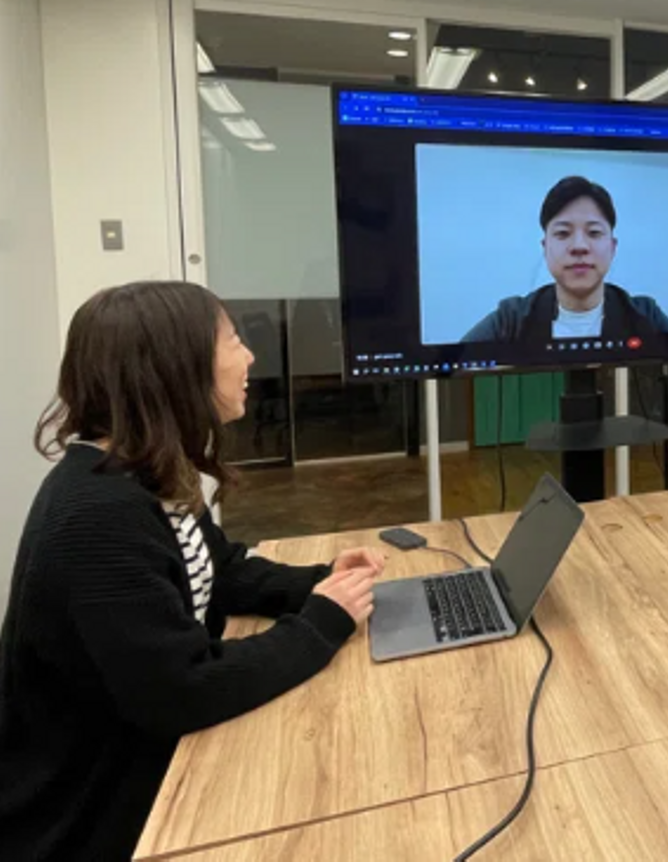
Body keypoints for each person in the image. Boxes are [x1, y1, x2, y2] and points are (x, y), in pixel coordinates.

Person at [0, 282, 386, 861]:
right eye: (232, 340)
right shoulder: (98, 513)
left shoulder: (144, 470)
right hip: (91, 818)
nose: (249, 356)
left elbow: (220, 570)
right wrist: (321, 624)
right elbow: (182, 690)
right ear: (173, 366)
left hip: (144, 765)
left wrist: (319, 581)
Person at [461, 176, 668, 346]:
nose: (579, 246)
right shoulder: (510, 321)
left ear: (612, 247)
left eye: (594, 233)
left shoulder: (645, 315)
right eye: (563, 233)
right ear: (545, 247)